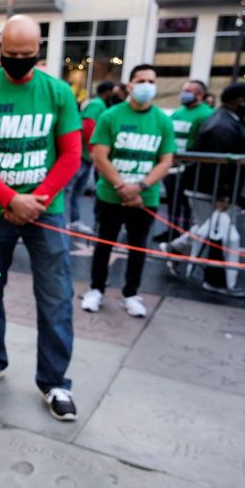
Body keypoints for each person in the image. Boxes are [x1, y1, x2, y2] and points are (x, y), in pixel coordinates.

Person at [0, 14, 82, 421]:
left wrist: (37, 199)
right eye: (11, 55)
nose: (18, 61)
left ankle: (55, 382)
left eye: (26, 55)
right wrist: (11, 199)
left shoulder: (58, 93)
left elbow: (70, 154)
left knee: (55, 295)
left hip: (47, 211)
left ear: (38, 52)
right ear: (0, 52)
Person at [81, 64, 176, 318]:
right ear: (130, 85)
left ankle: (131, 293)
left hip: (145, 198)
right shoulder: (111, 116)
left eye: (151, 81)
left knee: (138, 247)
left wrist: (140, 187)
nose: (147, 85)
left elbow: (166, 160)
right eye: (141, 80)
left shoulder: (162, 121)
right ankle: (96, 289)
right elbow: (100, 155)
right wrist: (121, 186)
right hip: (111, 196)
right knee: (104, 244)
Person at [162, 84, 245, 297]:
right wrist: (222, 195)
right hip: (209, 190)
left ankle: (175, 249)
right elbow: (217, 165)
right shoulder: (222, 125)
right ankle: (215, 281)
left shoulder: (229, 120)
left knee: (207, 228)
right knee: (217, 234)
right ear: (236, 101)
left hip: (211, 189)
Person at [159, 79, 214, 238]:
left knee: (187, 205)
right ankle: (172, 230)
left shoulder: (206, 114)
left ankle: (186, 234)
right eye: (184, 90)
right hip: (172, 165)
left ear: (200, 94)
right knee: (172, 202)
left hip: (190, 167)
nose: (184, 94)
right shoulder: (178, 113)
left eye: (188, 91)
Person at [66, 81, 117, 235]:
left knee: (77, 191)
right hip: (81, 156)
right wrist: (94, 151)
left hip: (86, 157)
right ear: (108, 92)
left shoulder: (102, 105)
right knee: (66, 189)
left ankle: (74, 221)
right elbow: (88, 126)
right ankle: (54, 222)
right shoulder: (97, 104)